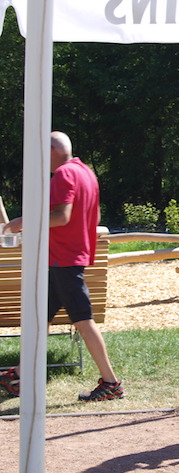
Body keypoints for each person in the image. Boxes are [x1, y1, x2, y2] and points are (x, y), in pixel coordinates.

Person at [0, 131, 124, 401]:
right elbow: (93, 217)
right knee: (39, 317)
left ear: (51, 151)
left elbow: (62, 216)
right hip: (65, 258)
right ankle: (21, 376)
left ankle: (111, 383)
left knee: (84, 321)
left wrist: (23, 221)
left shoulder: (64, 174)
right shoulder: (86, 173)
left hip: (66, 260)